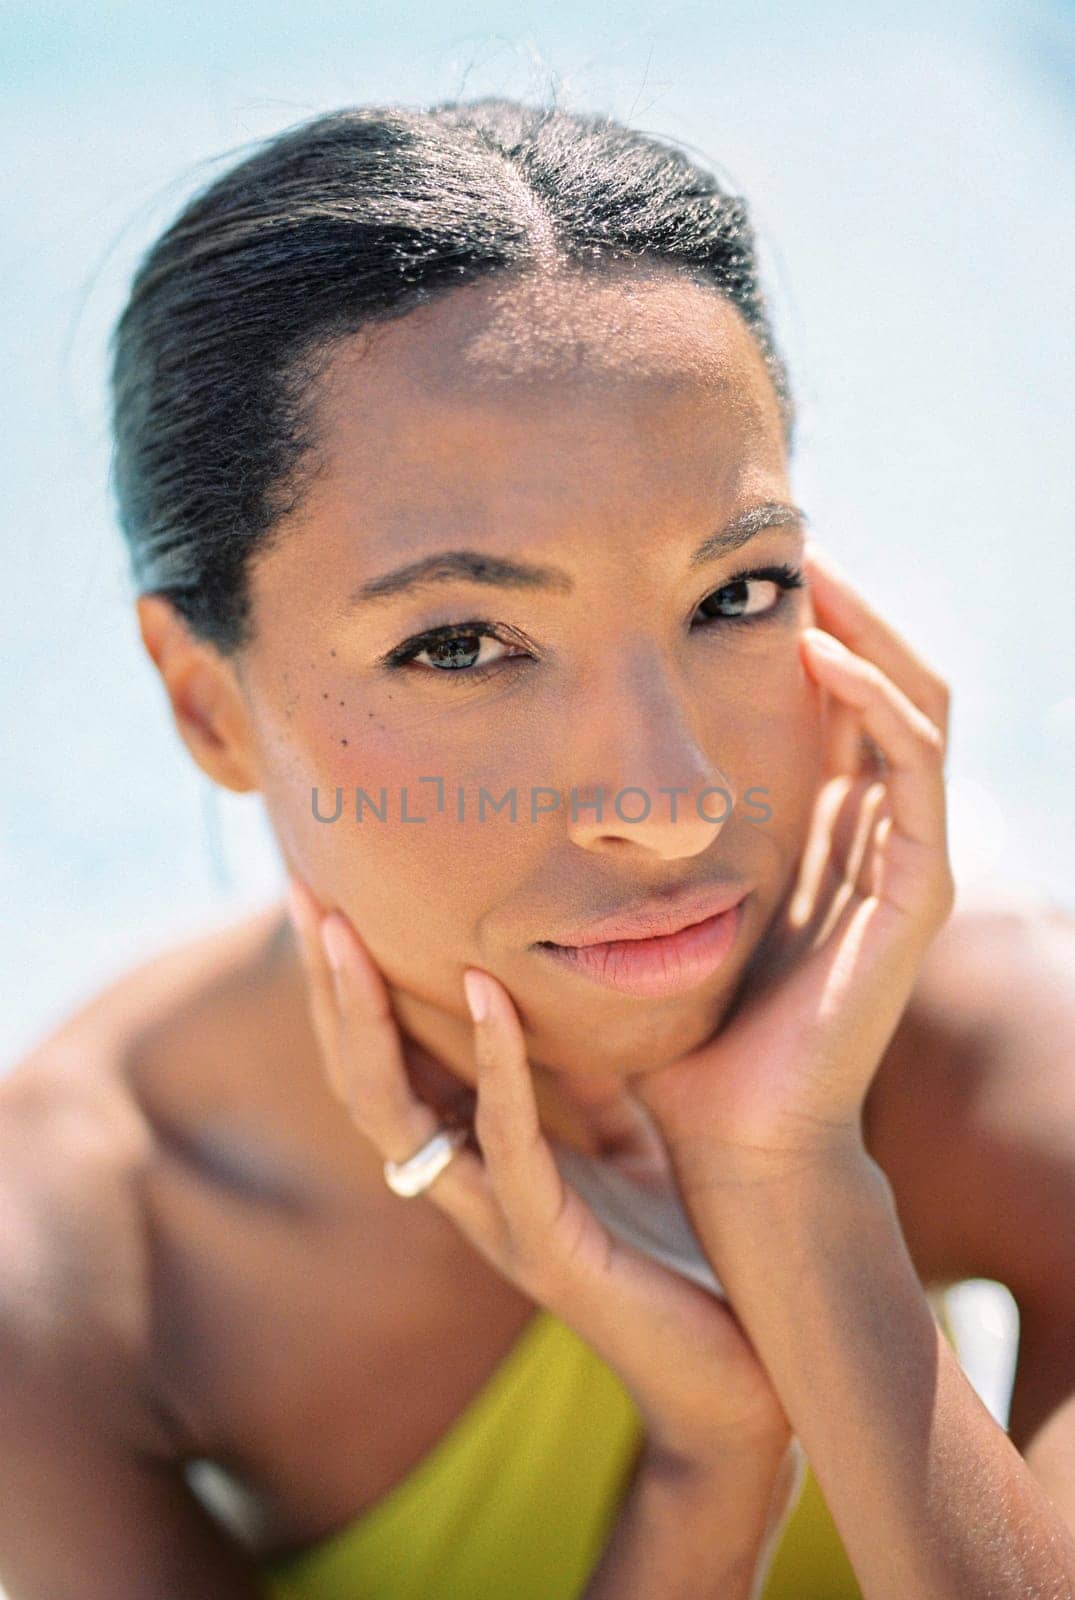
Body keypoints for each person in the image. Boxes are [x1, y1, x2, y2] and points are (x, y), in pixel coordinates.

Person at [1, 95, 1074, 1600]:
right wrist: (706, 1474)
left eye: (736, 596)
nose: (673, 798)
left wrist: (790, 1187)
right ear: (204, 701)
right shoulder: (79, 1267)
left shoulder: (984, 1043)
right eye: (461, 644)